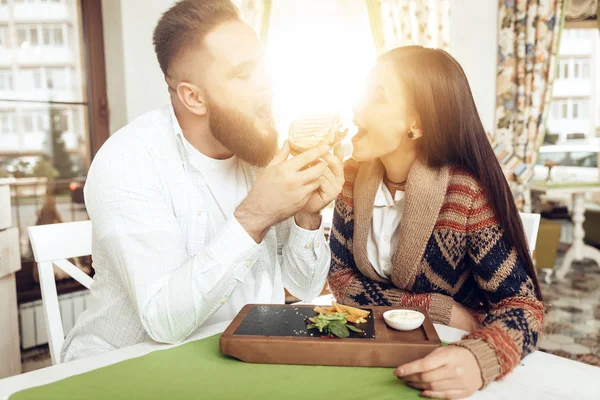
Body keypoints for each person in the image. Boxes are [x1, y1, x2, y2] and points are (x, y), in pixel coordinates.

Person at [62, 0, 343, 362]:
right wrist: (255, 215)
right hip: (124, 368)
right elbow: (163, 322)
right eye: (244, 74)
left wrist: (306, 216)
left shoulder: (259, 153)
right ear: (193, 97)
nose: (267, 86)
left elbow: (304, 287)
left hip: (236, 359)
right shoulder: (128, 161)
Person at [328, 46, 544, 399]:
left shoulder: (466, 195)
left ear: (416, 124)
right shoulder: (350, 179)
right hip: (371, 349)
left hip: (449, 359)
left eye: (376, 96)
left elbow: (523, 307)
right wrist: (437, 308)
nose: (356, 107)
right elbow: (339, 278)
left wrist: (479, 361)